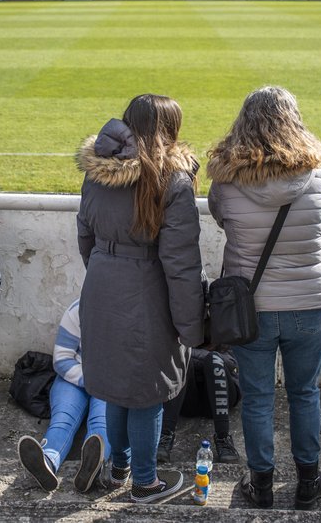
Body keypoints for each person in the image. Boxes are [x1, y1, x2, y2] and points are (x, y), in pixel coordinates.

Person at [207, 86, 321, 510]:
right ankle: (308, 481)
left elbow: (224, 221)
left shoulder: (225, 178)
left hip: (252, 307)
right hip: (309, 301)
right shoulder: (318, 174)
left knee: (259, 398)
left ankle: (261, 485)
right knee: (304, 393)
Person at [76, 94, 205, 505]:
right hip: (147, 292)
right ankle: (146, 483)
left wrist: (104, 271)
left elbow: (85, 236)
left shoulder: (97, 172)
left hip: (102, 285)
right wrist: (191, 326)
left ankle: (119, 470)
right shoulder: (173, 180)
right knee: (147, 392)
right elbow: (181, 265)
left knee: (116, 386)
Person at [17, 299, 109, 493]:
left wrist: (106, 382)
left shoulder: (134, 311)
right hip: (72, 377)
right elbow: (61, 358)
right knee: (61, 421)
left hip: (110, 384)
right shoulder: (78, 309)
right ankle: (47, 461)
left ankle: (94, 467)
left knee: (102, 423)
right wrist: (91, 380)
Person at [156, 346, 241, 464]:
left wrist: (192, 354)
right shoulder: (180, 329)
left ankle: (223, 438)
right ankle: (165, 437)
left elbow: (231, 363)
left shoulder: (223, 328)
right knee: (181, 359)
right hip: (187, 398)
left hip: (222, 395)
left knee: (213, 359)